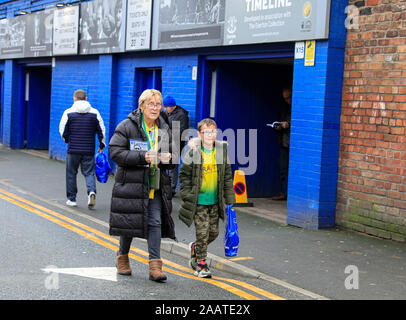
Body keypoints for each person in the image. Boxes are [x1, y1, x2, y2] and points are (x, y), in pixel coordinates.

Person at [109, 89, 176, 282]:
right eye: (151, 104)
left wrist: (169, 159)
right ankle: (122, 257)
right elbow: (115, 152)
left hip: (155, 184)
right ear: (142, 106)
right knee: (130, 223)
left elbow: (173, 156)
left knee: (155, 222)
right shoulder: (127, 126)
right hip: (132, 184)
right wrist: (142, 156)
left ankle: (155, 266)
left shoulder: (164, 128)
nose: (155, 108)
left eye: (158, 105)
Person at [179, 118, 235, 278]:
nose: (210, 135)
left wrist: (230, 201)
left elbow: (227, 177)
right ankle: (201, 265)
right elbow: (184, 175)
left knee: (214, 233)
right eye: (206, 132)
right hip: (199, 202)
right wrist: (188, 195)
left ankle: (195, 248)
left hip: (215, 202)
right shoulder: (193, 152)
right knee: (202, 234)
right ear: (199, 134)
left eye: (213, 132)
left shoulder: (221, 152)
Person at [59, 89, 106, 209]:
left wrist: (67, 140)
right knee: (89, 172)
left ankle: (72, 199)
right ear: (86, 99)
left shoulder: (68, 112)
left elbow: (63, 130)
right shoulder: (95, 113)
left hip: (73, 149)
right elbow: (102, 130)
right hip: (88, 149)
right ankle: (91, 192)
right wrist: (101, 145)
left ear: (74, 99)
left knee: (71, 173)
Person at [163, 95, 189, 196]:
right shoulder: (169, 114)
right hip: (167, 143)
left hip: (176, 144)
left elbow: (183, 131)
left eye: (166, 107)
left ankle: (172, 189)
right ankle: (167, 186)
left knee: (173, 166)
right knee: (166, 164)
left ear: (172, 106)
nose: (165, 109)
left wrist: (169, 132)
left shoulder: (181, 115)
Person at [272, 88, 292, 201]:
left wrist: (289, 124)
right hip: (284, 143)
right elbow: (281, 120)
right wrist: (278, 126)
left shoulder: (298, 107)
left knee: (291, 170)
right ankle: (284, 193)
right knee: (283, 169)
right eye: (285, 98)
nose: (287, 100)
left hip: (293, 144)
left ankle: (290, 194)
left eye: (288, 97)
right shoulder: (285, 109)